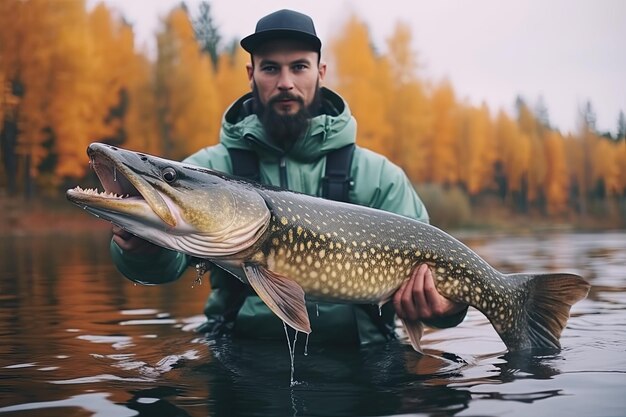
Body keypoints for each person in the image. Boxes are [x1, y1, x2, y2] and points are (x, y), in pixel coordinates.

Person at [110, 9, 468, 345]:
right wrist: (141, 248)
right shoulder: (207, 168)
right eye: (270, 69)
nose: (285, 83)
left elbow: (445, 297)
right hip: (241, 354)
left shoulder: (379, 177)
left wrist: (448, 309)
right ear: (251, 75)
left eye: (298, 67)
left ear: (320, 73)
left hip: (365, 362)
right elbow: (163, 267)